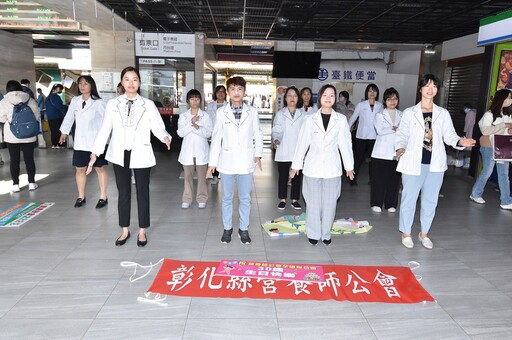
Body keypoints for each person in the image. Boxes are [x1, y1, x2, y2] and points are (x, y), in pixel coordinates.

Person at [86, 66, 172, 247]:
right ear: (122, 82)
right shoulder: (113, 104)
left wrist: (165, 137)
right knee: (123, 192)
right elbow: (105, 130)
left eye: (134, 79)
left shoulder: (147, 104)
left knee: (143, 192)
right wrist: (95, 152)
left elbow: (157, 126)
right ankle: (124, 229)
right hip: (119, 153)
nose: (131, 83)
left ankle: (142, 230)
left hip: (141, 151)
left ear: (139, 82)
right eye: (127, 79)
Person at [395, 74, 475, 249]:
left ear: (437, 90)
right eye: (427, 86)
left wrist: (460, 142)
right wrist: (399, 148)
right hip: (413, 162)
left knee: (430, 200)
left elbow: (450, 136)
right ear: (421, 89)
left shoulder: (442, 113)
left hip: (435, 164)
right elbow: (401, 135)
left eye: (434, 86)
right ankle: (406, 233)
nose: (430, 89)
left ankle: (424, 233)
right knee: (409, 199)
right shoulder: (410, 113)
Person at [290, 84, 355, 246]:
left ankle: (326, 233)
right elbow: (302, 143)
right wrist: (296, 165)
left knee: (330, 203)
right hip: (312, 166)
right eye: (325, 95)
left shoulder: (340, 120)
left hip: (332, 168)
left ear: (335, 99)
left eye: (332, 95)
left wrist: (349, 166)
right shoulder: (309, 119)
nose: (328, 98)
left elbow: (345, 144)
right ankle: (313, 232)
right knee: (312, 202)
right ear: (319, 98)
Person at [207, 76, 263, 245]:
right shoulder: (220, 112)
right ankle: (227, 228)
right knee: (227, 198)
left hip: (246, 162)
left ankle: (243, 229)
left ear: (244, 92)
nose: (236, 93)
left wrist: (258, 154)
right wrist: (212, 163)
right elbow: (217, 138)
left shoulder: (251, 112)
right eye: (232, 89)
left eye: (239, 89)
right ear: (228, 92)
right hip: (227, 162)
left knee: (245, 198)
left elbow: (258, 134)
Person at [59, 75, 108, 209]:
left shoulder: (99, 102)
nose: (82, 86)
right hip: (80, 141)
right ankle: (81, 196)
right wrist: (64, 132)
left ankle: (103, 196)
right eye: (80, 83)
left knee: (100, 168)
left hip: (95, 142)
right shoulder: (75, 101)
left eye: (86, 83)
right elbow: (69, 117)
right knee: (80, 169)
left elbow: (108, 122)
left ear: (91, 86)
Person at [469, 89, 512, 209]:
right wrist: (504, 126)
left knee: (504, 174)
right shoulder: (489, 114)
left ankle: (506, 201)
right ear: (501, 98)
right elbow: (485, 131)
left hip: (503, 148)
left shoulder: (508, 114)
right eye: (508, 97)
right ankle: (475, 194)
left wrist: (507, 129)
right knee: (487, 171)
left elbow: (508, 131)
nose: (510, 100)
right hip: (489, 147)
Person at [0, 80, 40, 192]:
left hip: (12, 136)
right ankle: (31, 183)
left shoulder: (4, 102)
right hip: (29, 135)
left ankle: (15, 185)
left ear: (8, 89)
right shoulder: (30, 100)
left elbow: (1, 118)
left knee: (14, 160)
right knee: (29, 159)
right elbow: (36, 116)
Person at [271, 86, 306, 210]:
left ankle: (295, 199)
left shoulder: (302, 115)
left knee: (296, 176)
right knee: (283, 175)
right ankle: (282, 199)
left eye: (295, 96)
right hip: (284, 148)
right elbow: (277, 129)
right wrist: (276, 139)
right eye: (290, 96)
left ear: (298, 99)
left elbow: (305, 132)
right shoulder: (280, 114)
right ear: (285, 98)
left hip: (297, 150)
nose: (292, 98)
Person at [177, 89, 212, 209]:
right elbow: (180, 133)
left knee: (202, 177)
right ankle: (187, 198)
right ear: (188, 101)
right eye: (192, 99)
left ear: (200, 101)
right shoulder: (183, 116)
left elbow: (208, 133)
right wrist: (191, 123)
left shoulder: (206, 116)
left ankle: (202, 198)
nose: (195, 101)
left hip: (201, 150)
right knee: (187, 177)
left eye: (197, 98)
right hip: (188, 151)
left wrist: (197, 127)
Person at [370, 87, 403, 213]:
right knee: (378, 180)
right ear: (385, 101)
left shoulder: (402, 115)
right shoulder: (379, 115)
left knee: (394, 180)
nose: (392, 101)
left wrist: (394, 128)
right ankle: (376, 203)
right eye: (389, 99)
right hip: (380, 152)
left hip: (396, 152)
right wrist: (396, 128)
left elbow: (404, 131)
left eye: (395, 99)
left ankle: (391, 203)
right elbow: (380, 131)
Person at [348, 83, 383, 186]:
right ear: (366, 93)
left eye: (374, 91)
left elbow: (382, 121)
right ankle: (352, 179)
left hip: (374, 136)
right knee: (358, 159)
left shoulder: (380, 106)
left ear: (377, 93)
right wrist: (347, 131)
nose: (372, 93)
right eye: (370, 91)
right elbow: (353, 118)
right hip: (361, 136)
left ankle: (372, 179)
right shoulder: (361, 105)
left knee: (373, 160)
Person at [206, 85, 227, 185]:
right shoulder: (210, 106)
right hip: (214, 133)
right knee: (215, 154)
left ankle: (225, 175)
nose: (220, 93)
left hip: (226, 134)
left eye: (222, 92)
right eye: (218, 92)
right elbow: (208, 120)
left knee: (225, 155)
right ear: (215, 93)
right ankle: (215, 176)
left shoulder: (229, 105)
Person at [45, 83, 66, 148]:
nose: (60, 91)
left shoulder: (48, 97)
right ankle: (59, 144)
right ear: (57, 89)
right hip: (57, 116)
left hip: (50, 117)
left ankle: (54, 144)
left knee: (53, 131)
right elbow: (59, 106)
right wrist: (66, 107)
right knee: (58, 131)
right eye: (60, 89)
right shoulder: (56, 97)